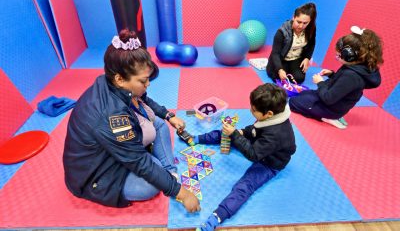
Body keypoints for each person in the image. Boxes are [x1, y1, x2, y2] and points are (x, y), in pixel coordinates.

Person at [63, 29, 200, 212]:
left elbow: (143, 99)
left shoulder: (115, 82)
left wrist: (169, 115)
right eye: (143, 81)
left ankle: (170, 172)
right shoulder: (112, 116)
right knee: (150, 185)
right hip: (97, 173)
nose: (148, 84)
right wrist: (181, 193)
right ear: (120, 79)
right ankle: (165, 174)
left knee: (159, 125)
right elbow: (138, 161)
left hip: (114, 148)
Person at [195, 83, 296, 231]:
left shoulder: (276, 134)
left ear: (268, 114)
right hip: (262, 146)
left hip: (270, 163)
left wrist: (235, 135)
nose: (250, 111)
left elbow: (253, 154)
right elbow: (257, 129)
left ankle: (217, 217)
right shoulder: (273, 115)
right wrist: (242, 132)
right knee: (226, 133)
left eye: (254, 110)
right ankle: (195, 139)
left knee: (244, 186)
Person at [289, 26, 383, 129]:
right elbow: (343, 85)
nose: (336, 57)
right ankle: (330, 114)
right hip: (336, 102)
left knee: (293, 102)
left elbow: (328, 98)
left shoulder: (351, 75)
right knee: (302, 94)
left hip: (331, 108)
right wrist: (331, 74)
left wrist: (320, 82)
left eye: (338, 56)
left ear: (349, 56)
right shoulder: (357, 67)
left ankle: (327, 117)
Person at [266, 2, 317, 84]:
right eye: (298, 22)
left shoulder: (311, 30)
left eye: (305, 23)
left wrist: (307, 58)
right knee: (278, 78)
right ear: (293, 17)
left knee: (299, 78)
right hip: (282, 58)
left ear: (310, 22)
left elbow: (312, 44)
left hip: (296, 58)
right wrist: (280, 69)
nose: (301, 26)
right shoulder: (281, 32)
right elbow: (275, 53)